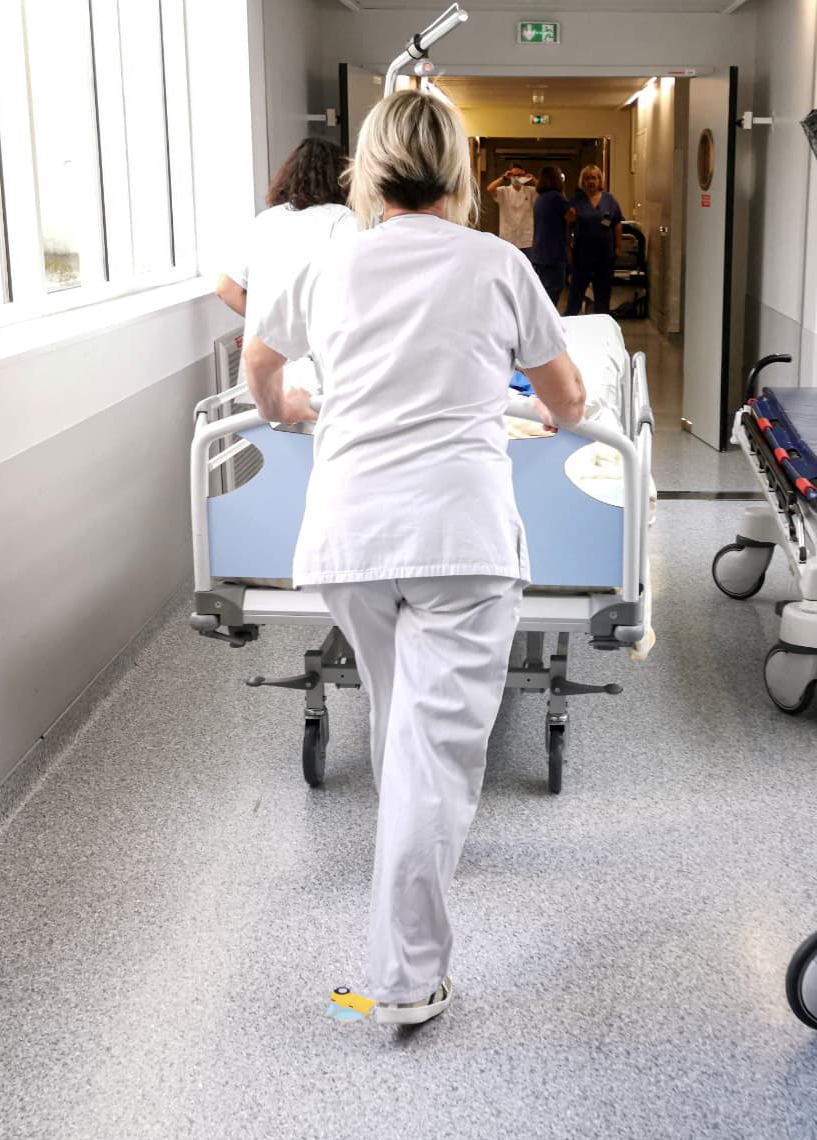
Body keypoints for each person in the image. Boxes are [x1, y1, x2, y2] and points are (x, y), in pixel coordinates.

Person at [243, 90, 586, 1027]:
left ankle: (403, 955)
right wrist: (547, 410)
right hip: (458, 543)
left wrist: (289, 409)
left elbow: (260, 366)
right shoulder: (497, 263)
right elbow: (569, 398)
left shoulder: (328, 263)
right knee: (431, 758)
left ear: (369, 170)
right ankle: (405, 980)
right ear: (460, 174)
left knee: (404, 734)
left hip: (349, 542)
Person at [216, 138, 357, 396]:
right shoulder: (342, 220)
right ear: (342, 179)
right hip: (313, 382)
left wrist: (272, 326)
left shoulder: (264, 221)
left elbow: (226, 289)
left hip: (260, 379)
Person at [565, 164, 623, 317]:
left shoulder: (609, 200)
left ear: (599, 181)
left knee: (603, 296)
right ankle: (568, 325)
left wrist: (618, 247)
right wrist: (568, 250)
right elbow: (568, 225)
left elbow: (617, 224)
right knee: (575, 295)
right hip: (582, 256)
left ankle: (602, 325)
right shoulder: (576, 200)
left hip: (605, 256)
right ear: (582, 182)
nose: (591, 181)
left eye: (594, 178)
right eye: (587, 178)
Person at [525, 166, 573, 310]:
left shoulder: (540, 199)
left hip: (540, 252)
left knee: (544, 290)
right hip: (554, 252)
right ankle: (547, 318)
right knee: (554, 290)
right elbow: (571, 216)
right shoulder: (556, 197)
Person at [484, 163, 536, 251]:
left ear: (523, 176)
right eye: (513, 175)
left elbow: (544, 190)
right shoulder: (504, 190)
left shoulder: (530, 190)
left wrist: (533, 179)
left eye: (519, 175)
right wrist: (504, 177)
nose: (516, 178)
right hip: (508, 237)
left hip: (526, 238)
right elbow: (490, 189)